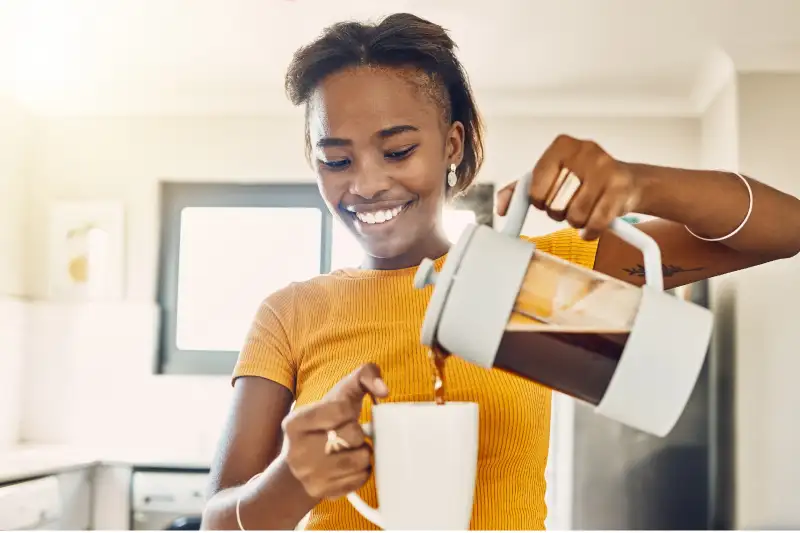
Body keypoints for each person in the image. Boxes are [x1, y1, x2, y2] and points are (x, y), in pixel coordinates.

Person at [200, 13, 800, 531]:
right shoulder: (291, 314)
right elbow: (216, 524)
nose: (366, 183)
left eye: (399, 150)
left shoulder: (536, 275)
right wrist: (292, 481)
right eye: (336, 159)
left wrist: (641, 182)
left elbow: (786, 228)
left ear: (452, 144)